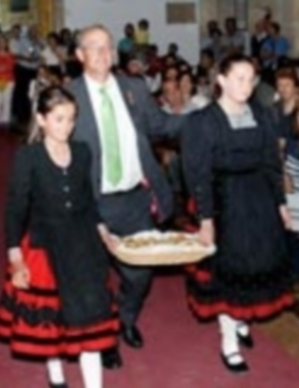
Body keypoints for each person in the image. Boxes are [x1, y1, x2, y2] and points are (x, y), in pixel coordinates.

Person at [66, 24, 184, 369]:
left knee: (140, 273)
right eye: (94, 47)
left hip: (134, 200)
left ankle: (125, 319)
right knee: (95, 277)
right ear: (79, 55)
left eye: (107, 47)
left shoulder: (133, 88)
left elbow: (161, 126)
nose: (104, 54)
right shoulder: (69, 97)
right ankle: (105, 338)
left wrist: (204, 119)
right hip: (92, 202)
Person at [0, 87, 119, 388]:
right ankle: (56, 373)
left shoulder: (82, 151)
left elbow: (87, 199)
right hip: (44, 244)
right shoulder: (28, 157)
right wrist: (16, 258)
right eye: (59, 119)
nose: (67, 126)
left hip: (82, 243)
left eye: (71, 119)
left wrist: (103, 231)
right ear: (41, 119)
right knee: (51, 319)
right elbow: (15, 208)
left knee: (90, 317)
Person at [182, 54, 295, 373]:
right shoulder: (202, 121)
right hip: (224, 204)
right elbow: (196, 174)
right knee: (228, 273)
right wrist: (206, 219)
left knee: (256, 265)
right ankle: (228, 340)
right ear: (221, 80)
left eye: (251, 79)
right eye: (239, 78)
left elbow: (272, 163)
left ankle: (242, 319)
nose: (246, 86)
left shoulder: (263, 114)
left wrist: (281, 203)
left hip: (258, 200)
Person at [0, 35, 16, 127]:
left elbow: (10, 67)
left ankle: (6, 121)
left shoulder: (10, 55)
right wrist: (1, 68)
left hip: (8, 80)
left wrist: (0, 68)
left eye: (3, 41)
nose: (1, 43)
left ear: (6, 43)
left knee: (7, 101)